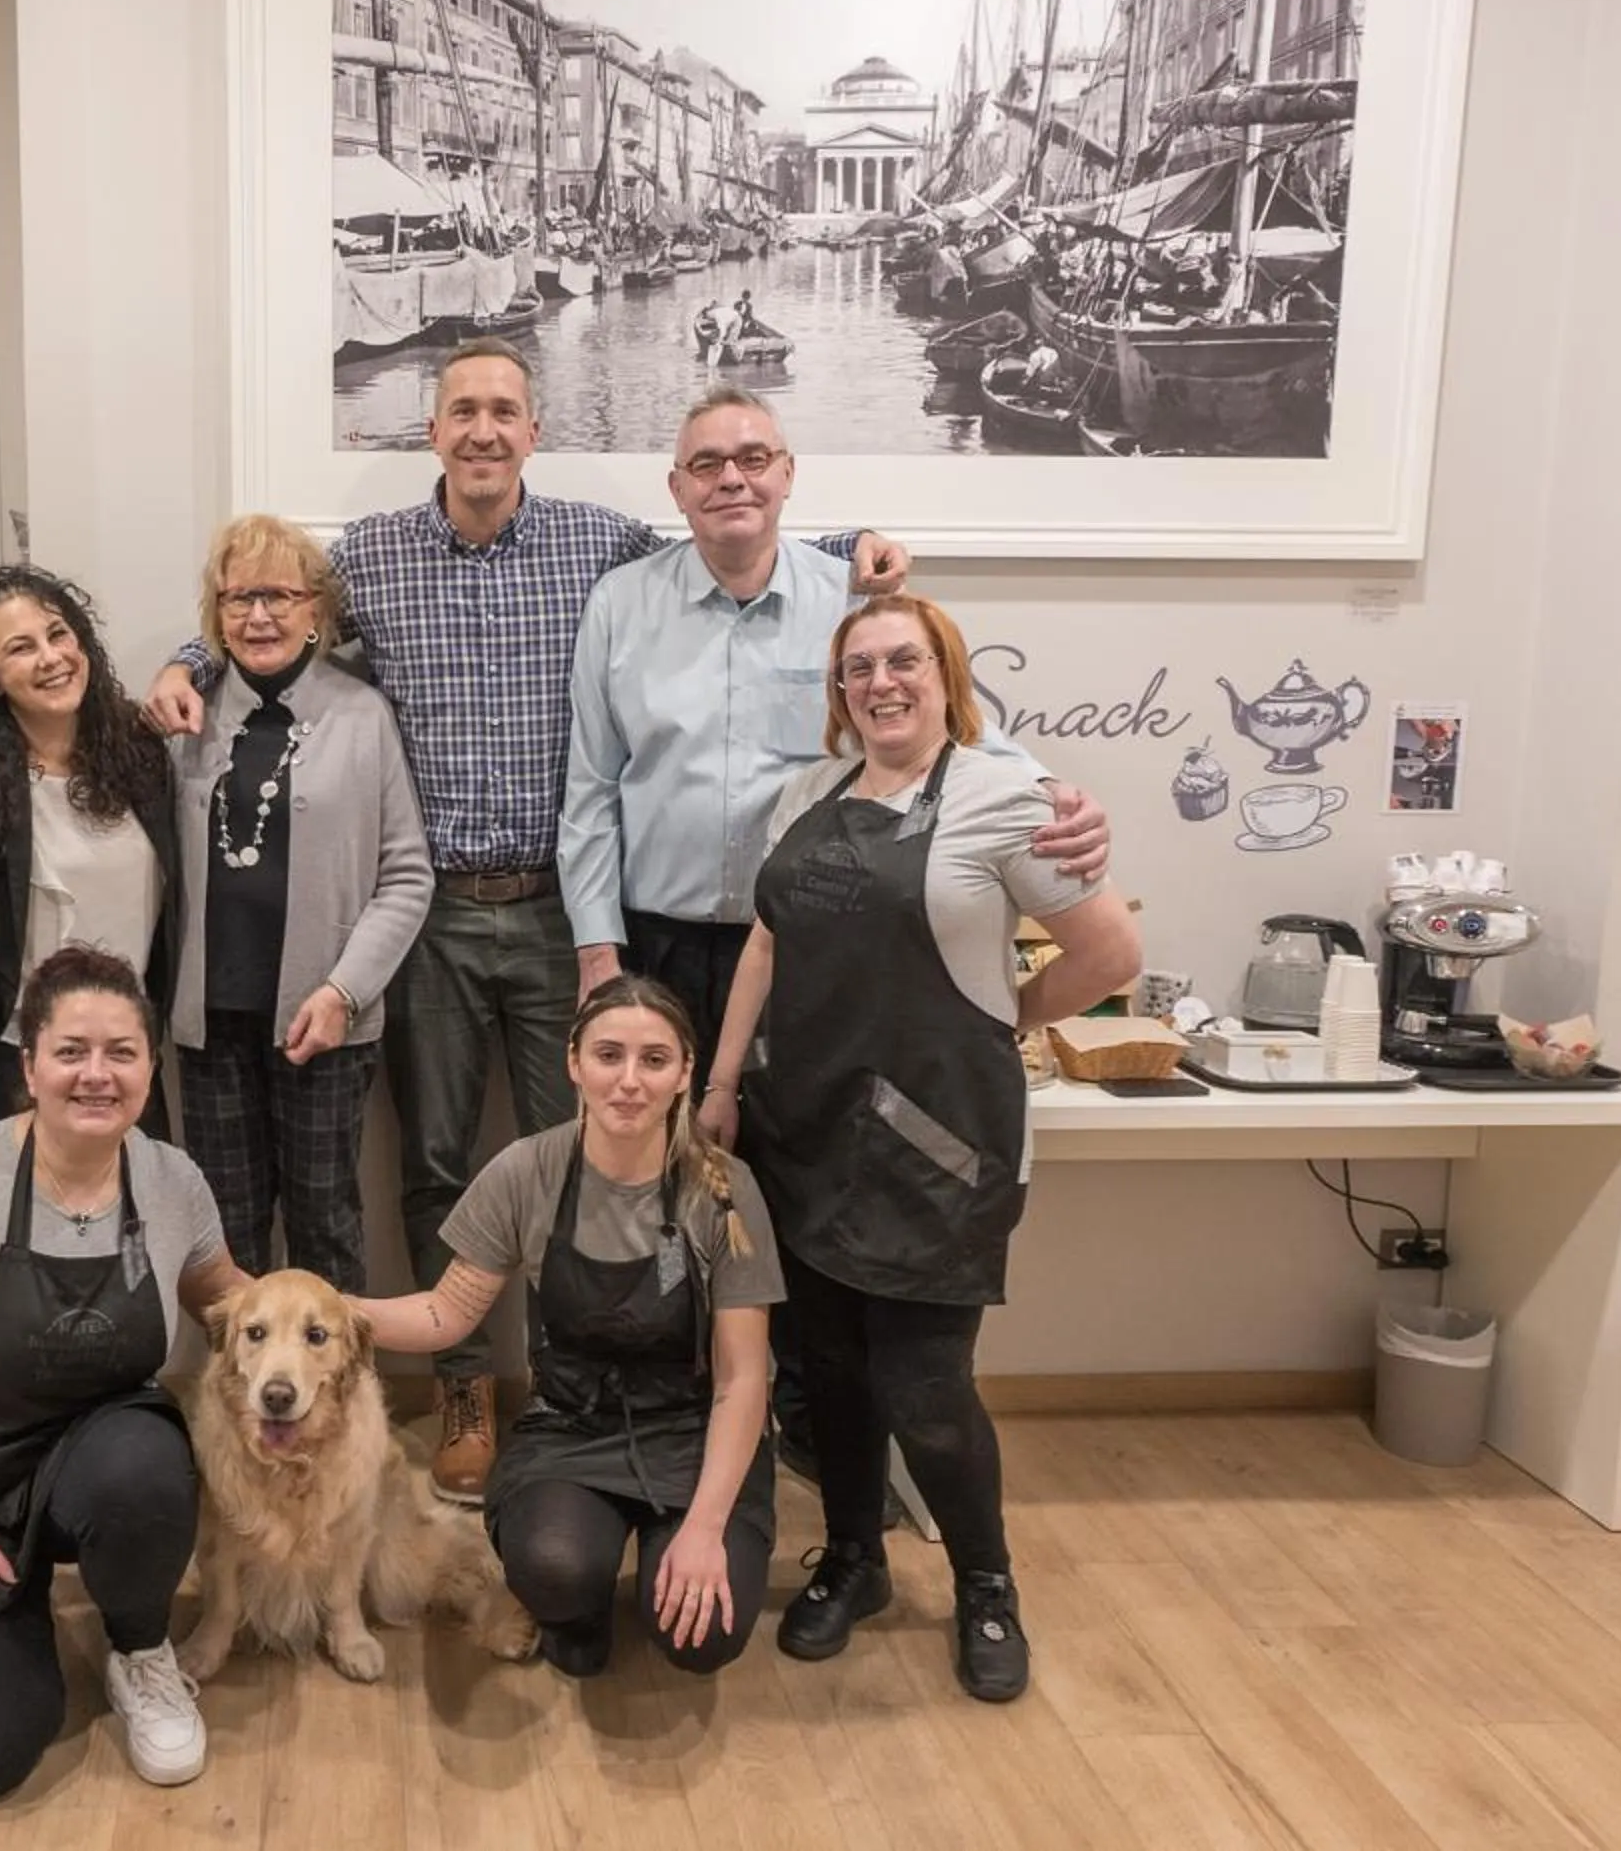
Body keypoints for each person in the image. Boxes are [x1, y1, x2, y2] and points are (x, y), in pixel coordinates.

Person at [141, 336, 908, 1505]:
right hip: (431, 914)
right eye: (463, 411)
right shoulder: (378, 560)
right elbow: (269, 615)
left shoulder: (601, 548)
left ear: (534, 432)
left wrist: (855, 545)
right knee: (442, 1164)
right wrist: (192, 653)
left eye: (506, 410)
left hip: (563, 912)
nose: (485, 429)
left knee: (598, 1162)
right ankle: (461, 1388)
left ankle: (575, 1386)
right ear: (433, 430)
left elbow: (739, 524)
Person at [561, 389, 1108, 1500]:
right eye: (707, 461)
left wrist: (1059, 800)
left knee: (794, 1183)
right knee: (658, 1179)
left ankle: (808, 1426)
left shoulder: (849, 599)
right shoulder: (620, 603)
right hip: (657, 949)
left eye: (754, 456)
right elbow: (591, 793)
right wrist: (599, 957)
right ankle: (676, 1407)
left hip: (806, 951)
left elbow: (946, 718)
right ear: (677, 489)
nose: (731, 477)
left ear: (788, 474)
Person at [700, 594, 1140, 1702]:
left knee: (926, 1385)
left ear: (946, 672)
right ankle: (855, 1556)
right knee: (834, 1373)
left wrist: (1005, 1018)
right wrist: (719, 1080)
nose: (881, 681)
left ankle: (987, 1581)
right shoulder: (813, 793)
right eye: (858, 668)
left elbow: (1112, 949)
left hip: (938, 1146)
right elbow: (767, 938)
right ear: (839, 693)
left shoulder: (1008, 794)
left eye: (904, 660)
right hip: (805, 1128)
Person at [0, 946, 249, 1797]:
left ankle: (139, 1647)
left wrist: (363, 1323)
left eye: (121, 1053)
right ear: (28, 1065)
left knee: (146, 1465)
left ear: (149, 1066)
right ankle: (8, 1601)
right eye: (70, 1052)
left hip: (95, 1465)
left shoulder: (173, 1183)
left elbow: (237, 1304)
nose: (96, 1075)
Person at [351, 977, 781, 1681]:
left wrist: (704, 1531)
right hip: (572, 1429)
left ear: (684, 1075)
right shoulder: (527, 1172)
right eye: (609, 1055)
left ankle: (672, 1547)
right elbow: (445, 1312)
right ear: (574, 1062)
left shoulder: (724, 1190)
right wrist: (328, 1309)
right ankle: (577, 1607)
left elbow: (741, 1382)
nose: (629, 1081)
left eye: (654, 1060)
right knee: (554, 1572)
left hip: (693, 1433)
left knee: (704, 1641)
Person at [170, 514, 431, 1294]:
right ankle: (242, 1412)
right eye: (239, 597)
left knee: (324, 1222)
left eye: (280, 595)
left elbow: (406, 875)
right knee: (224, 1229)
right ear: (215, 613)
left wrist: (344, 993)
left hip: (324, 1020)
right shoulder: (184, 716)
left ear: (316, 608)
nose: (259, 616)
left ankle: (337, 1408)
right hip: (209, 1022)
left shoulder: (363, 716)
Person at [0, 565, 178, 1135]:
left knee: (132, 1214)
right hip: (13, 1058)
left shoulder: (141, 753)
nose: (51, 658)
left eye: (59, 635)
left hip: (127, 1050)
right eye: (21, 648)